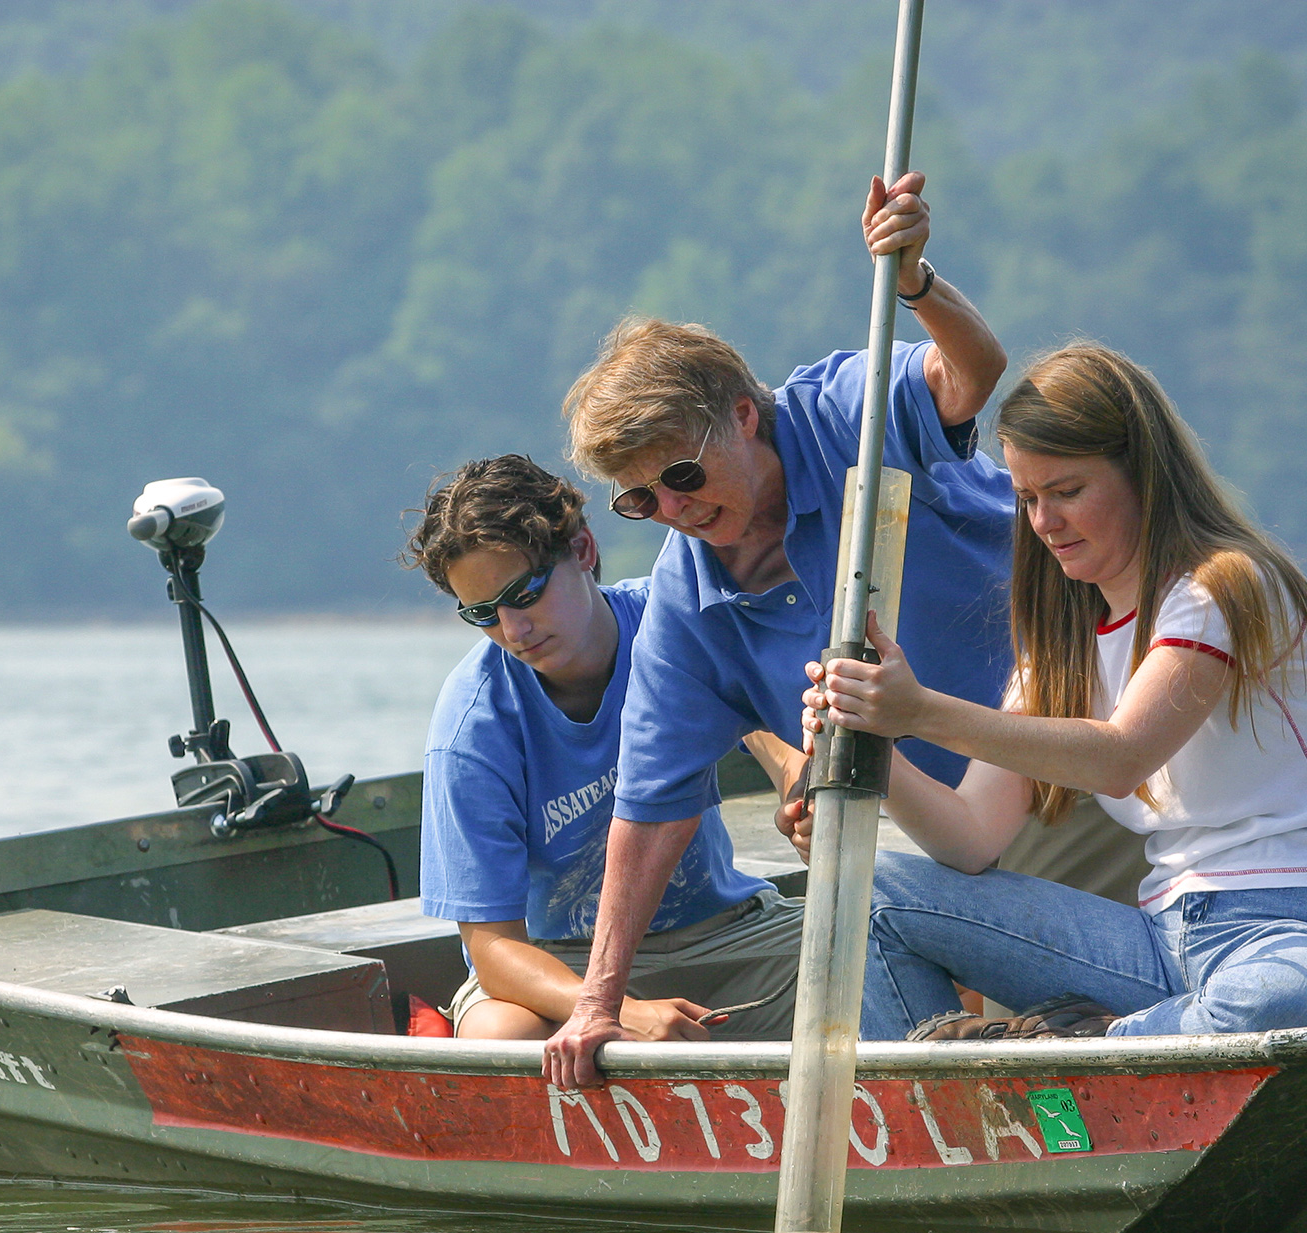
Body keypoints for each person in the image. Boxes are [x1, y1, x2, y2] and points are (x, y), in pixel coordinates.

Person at [545, 172, 1013, 1086]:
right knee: (851, 919)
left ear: (745, 416)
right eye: (642, 500)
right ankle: (933, 1119)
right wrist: (598, 1002)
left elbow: (973, 375)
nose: (673, 509)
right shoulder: (687, 606)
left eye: (683, 473)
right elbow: (648, 810)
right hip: (943, 827)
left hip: (1061, 737)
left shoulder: (845, 413)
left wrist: (914, 282)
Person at [803, 342, 1307, 1040]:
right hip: (1156, 940)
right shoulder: (1057, 649)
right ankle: (963, 1124)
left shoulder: (1225, 586)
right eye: (1027, 498)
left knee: (1275, 1001)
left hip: (1280, 928)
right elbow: (972, 838)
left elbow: (1120, 757)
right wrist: (870, 739)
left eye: (1067, 492)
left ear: (1143, 476)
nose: (1044, 524)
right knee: (862, 895)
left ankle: (1088, 1046)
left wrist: (916, 711)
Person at [405, 454, 807, 1041]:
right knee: (500, 1035)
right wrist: (619, 1008)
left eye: (525, 593)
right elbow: (492, 947)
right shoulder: (472, 727)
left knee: (897, 945)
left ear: (584, 550)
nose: (514, 630)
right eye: (484, 614)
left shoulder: (669, 619)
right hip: (561, 961)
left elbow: (753, 716)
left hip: (726, 932)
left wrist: (796, 776)